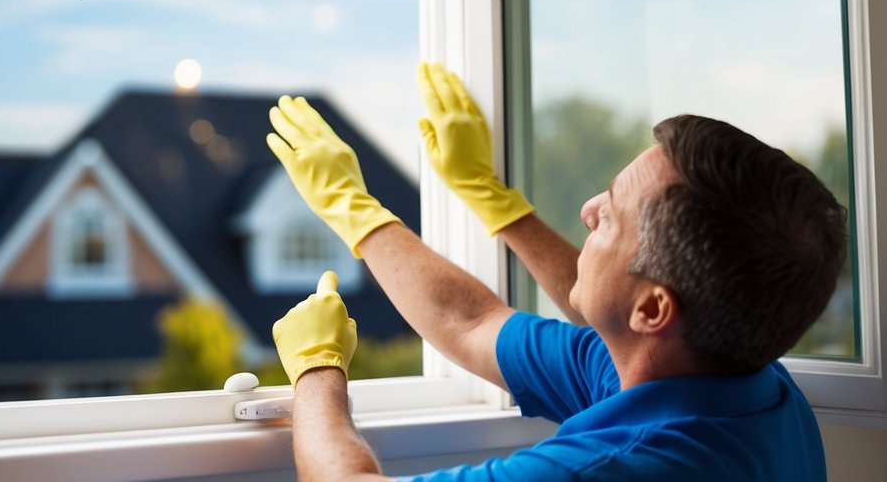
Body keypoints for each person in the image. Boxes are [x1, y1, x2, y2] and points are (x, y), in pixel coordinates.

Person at [267, 62, 847, 481]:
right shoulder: (754, 386)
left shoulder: (612, 467)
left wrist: (317, 372)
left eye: (612, 213)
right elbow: (471, 322)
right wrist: (488, 199)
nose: (588, 209)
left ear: (653, 311)